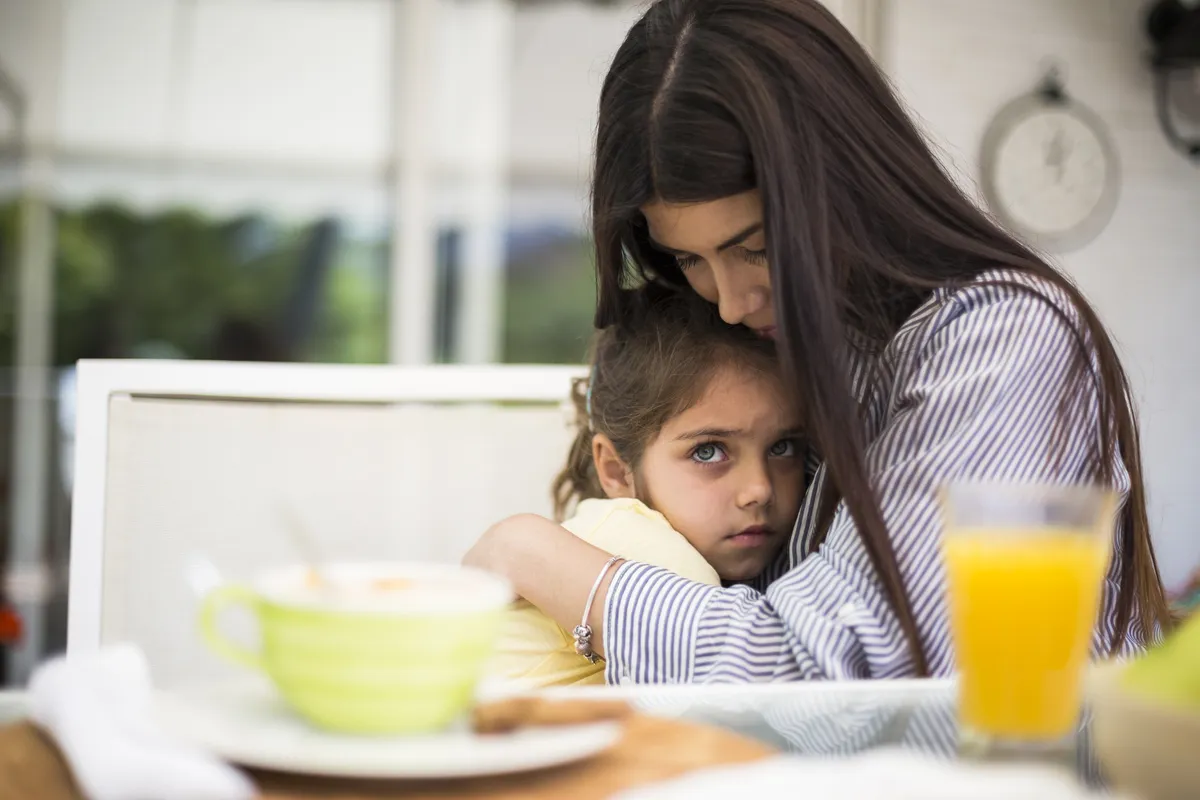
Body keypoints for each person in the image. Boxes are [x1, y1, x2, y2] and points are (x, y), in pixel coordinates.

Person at [465, 0, 1172, 682]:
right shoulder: (794, 339)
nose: (733, 302)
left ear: (846, 183)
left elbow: (831, 674)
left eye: (758, 248)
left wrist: (532, 552)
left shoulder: (1003, 341)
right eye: (690, 260)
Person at [489, 287, 803, 687]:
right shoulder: (661, 558)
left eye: (783, 447)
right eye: (708, 452)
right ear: (618, 471)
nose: (759, 489)